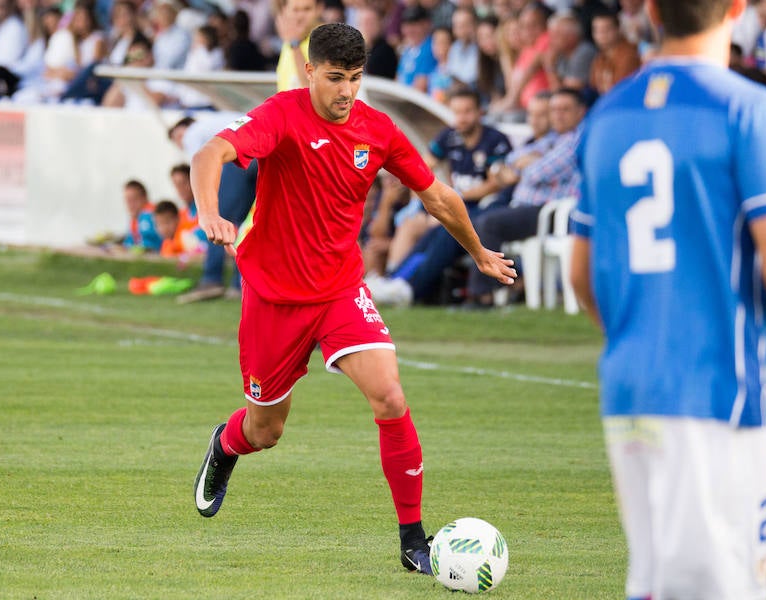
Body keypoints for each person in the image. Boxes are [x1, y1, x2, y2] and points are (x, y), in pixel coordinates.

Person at [189, 23, 516, 575]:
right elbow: (211, 153)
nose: (346, 91)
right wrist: (208, 212)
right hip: (273, 296)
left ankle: (413, 541)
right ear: (311, 70)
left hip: (340, 290)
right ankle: (225, 445)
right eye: (336, 78)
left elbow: (436, 196)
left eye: (356, 79)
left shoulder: (377, 130)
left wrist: (480, 251)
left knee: (389, 395)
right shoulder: (281, 115)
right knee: (265, 430)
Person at [570, 1, 766, 598]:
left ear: (651, 11)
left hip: (628, 386)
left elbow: (580, 272)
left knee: (655, 582)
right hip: (713, 389)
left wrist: (637, 335)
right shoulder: (749, 107)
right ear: (737, 8)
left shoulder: (606, 114)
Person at [368, 88, 513, 306]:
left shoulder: (495, 140)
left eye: (467, 112)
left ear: (479, 113)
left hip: (486, 208)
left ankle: (410, 289)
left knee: (446, 231)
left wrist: (452, 198)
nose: (461, 118)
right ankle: (394, 279)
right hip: (457, 205)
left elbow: (497, 183)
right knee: (414, 225)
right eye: (457, 112)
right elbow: (423, 166)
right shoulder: (449, 136)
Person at [465, 87, 584, 308]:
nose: (558, 115)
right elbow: (505, 163)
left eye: (565, 110)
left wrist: (524, 166)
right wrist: (525, 162)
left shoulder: (576, 139)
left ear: (580, 112)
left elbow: (536, 173)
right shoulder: (551, 140)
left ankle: (483, 295)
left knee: (488, 224)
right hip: (525, 208)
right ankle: (514, 282)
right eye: (555, 110)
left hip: (552, 211)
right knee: (475, 221)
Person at [167, 115, 258, 303]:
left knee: (218, 218)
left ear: (182, 129)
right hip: (259, 156)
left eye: (176, 137)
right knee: (243, 223)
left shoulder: (193, 132)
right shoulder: (216, 122)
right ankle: (238, 283)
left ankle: (212, 279)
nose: (179, 143)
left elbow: (200, 163)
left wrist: (205, 203)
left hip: (239, 157)